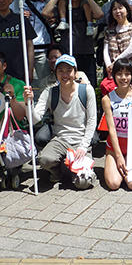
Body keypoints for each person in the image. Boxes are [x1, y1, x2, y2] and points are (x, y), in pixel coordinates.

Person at [23, 55, 97, 185]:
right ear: (55, 73)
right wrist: (28, 103)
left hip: (80, 140)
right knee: (44, 160)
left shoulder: (87, 90)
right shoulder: (50, 92)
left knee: (83, 183)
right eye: (60, 71)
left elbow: (91, 120)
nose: (65, 74)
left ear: (75, 72)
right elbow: (34, 120)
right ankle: (58, 172)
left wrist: (83, 146)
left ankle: (72, 168)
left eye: (69, 70)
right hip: (60, 139)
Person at [43, 0, 104, 87]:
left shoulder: (86, 8)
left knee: (88, 86)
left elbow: (99, 14)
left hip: (86, 53)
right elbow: (45, 13)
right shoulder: (62, 8)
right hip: (67, 53)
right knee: (67, 86)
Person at [102, 59, 132, 191]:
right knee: (113, 184)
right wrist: (118, 156)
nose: (123, 78)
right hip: (114, 147)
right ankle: (115, 164)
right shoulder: (107, 99)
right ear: (114, 76)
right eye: (119, 74)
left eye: (127, 74)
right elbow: (111, 130)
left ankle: (128, 167)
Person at [10, 0, 53, 88]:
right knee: (22, 83)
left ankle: (47, 106)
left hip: (43, 50)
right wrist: (20, 16)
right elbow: (10, 15)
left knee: (47, 85)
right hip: (23, 48)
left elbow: (56, 14)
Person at [102, 0, 132, 94]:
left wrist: (114, 63)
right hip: (115, 73)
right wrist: (109, 67)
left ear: (127, 11)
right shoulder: (109, 31)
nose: (118, 11)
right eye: (114, 9)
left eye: (120, 8)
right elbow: (105, 51)